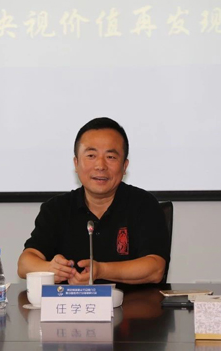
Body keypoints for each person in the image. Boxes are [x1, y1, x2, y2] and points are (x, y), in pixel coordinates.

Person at [17, 117, 170, 285]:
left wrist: (101, 271)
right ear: (76, 164)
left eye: (111, 157)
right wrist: (51, 269)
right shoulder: (56, 208)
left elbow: (155, 268)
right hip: (71, 302)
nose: (100, 166)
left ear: (124, 166)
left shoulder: (144, 205)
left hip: (131, 301)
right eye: (91, 155)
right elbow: (24, 264)